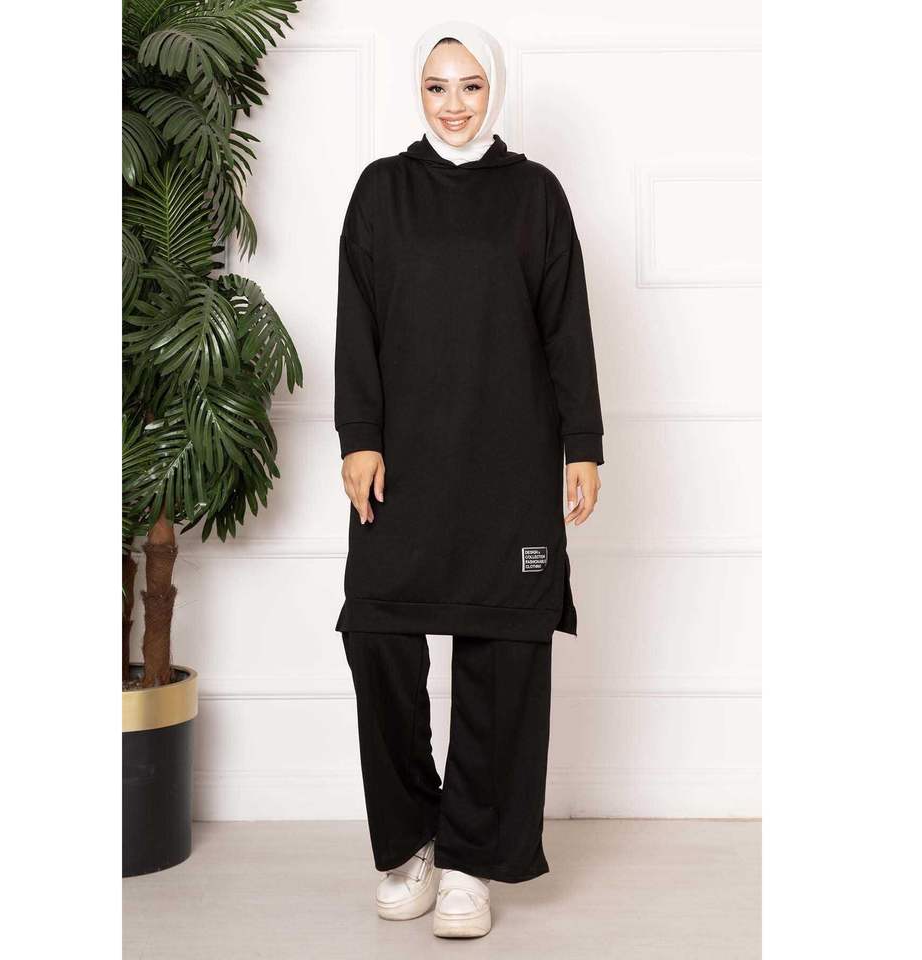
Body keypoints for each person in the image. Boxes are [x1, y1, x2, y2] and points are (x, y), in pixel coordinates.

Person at [334, 20, 604, 939]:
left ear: (496, 90)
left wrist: (583, 443)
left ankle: (470, 861)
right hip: (401, 465)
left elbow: (567, 323)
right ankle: (413, 840)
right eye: (437, 86)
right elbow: (356, 320)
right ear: (418, 93)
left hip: (509, 464)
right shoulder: (382, 192)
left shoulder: (535, 194)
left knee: (502, 657)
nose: (454, 105)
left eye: (471, 85)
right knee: (378, 639)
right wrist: (359, 437)